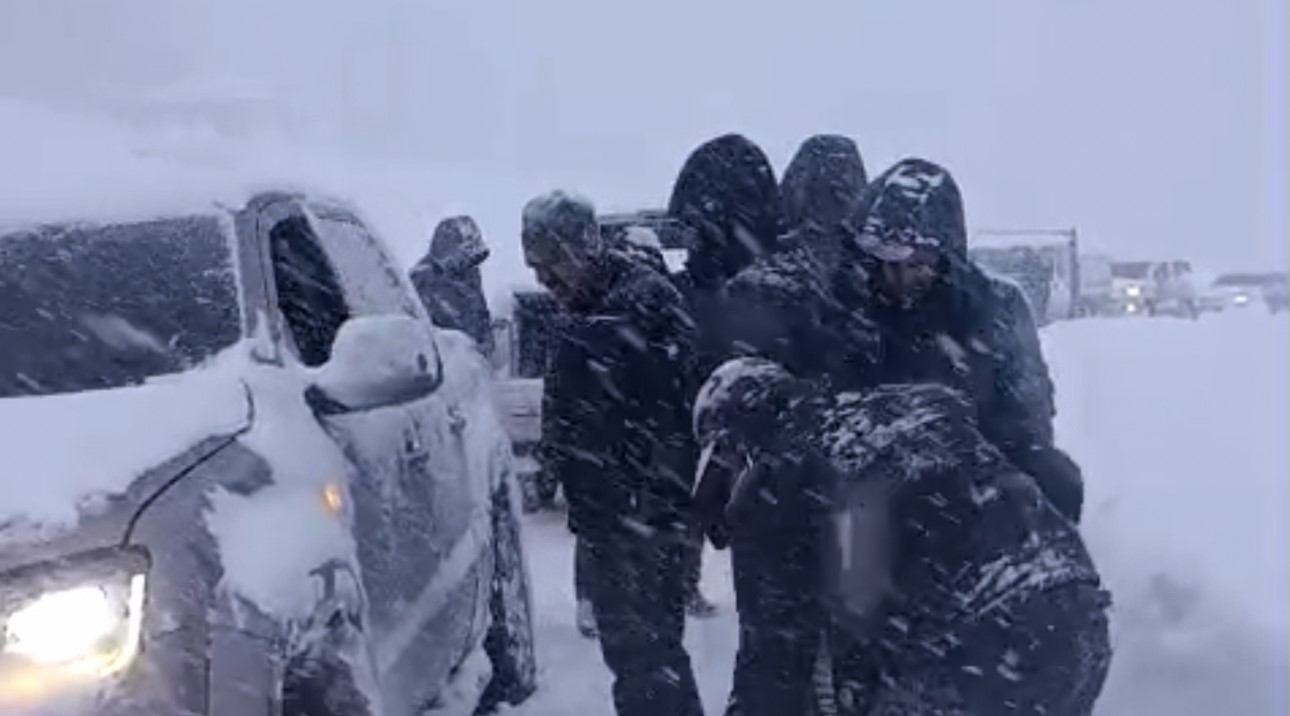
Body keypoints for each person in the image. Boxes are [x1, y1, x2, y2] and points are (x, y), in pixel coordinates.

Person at [692, 357, 1112, 716]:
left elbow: (772, 664)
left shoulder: (779, 482)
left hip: (978, 641)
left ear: (739, 442)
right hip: (1075, 612)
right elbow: (1052, 475)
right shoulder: (896, 414)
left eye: (725, 459)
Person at [523, 190, 704, 716]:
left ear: (583, 247)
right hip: (604, 518)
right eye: (535, 266)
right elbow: (566, 404)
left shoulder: (645, 303)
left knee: (652, 654)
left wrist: (650, 501)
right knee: (629, 655)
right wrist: (554, 466)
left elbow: (677, 410)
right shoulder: (579, 311)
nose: (543, 279)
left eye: (551, 263)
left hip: (645, 518)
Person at [842, 158, 1084, 522]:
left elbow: (1027, 422)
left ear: (946, 255)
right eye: (887, 262)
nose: (899, 278)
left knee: (1056, 480)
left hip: (971, 483)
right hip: (871, 488)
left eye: (916, 263)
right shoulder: (851, 310)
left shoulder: (995, 310)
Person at [667, 133, 783, 620]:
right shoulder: (696, 289)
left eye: (697, 226)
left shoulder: (772, 293)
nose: (689, 239)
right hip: (707, 443)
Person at [409, 215, 494, 356]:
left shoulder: (469, 273)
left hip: (473, 360)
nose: (468, 262)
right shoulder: (422, 280)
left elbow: (480, 313)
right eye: (465, 253)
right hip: (445, 361)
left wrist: (486, 338)